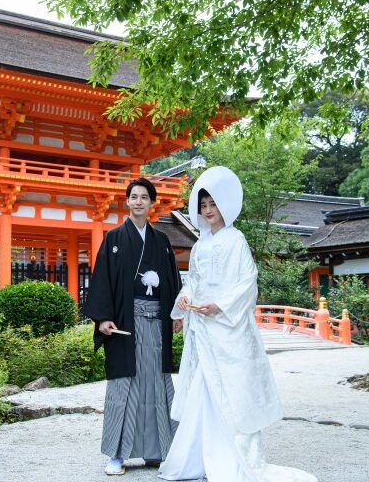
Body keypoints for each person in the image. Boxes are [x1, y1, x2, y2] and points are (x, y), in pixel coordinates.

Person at [158, 166, 318, 482]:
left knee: (233, 393)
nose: (207, 212)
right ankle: (200, 458)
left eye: (212, 205)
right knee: (203, 390)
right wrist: (184, 299)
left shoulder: (236, 239)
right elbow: (194, 282)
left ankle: (234, 461)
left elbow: (247, 282)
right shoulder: (200, 244)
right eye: (203, 206)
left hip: (228, 329)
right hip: (203, 330)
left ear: (224, 205)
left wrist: (222, 305)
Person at [82, 177, 183, 476]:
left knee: (156, 383)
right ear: (126, 202)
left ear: (152, 203)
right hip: (125, 322)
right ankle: (117, 454)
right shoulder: (114, 239)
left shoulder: (162, 241)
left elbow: (173, 281)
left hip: (155, 324)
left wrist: (176, 313)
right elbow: (102, 280)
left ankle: (157, 450)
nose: (138, 201)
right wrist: (102, 317)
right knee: (123, 386)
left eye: (144, 197)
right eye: (133, 197)